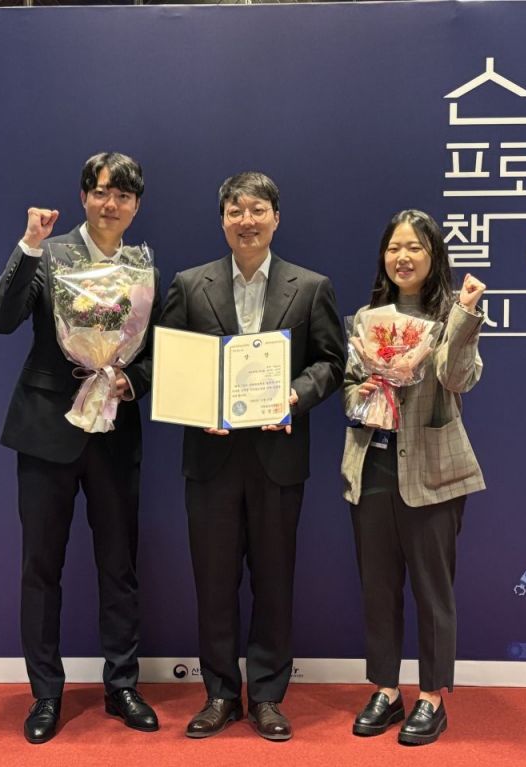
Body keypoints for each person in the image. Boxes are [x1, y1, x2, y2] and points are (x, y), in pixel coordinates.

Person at [158, 171, 345, 741]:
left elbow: (331, 362)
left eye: (258, 209)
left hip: (277, 458)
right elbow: (169, 362)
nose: (247, 221)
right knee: (213, 583)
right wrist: (197, 405)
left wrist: (295, 395)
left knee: (274, 580)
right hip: (209, 458)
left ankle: (266, 695)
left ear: (276, 218)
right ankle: (219, 693)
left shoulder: (309, 286)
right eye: (236, 211)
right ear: (222, 220)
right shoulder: (189, 284)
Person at [0, 152, 161, 744]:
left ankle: (122, 685)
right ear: (84, 195)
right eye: (101, 192)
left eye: (123, 196)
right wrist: (29, 246)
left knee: (120, 565)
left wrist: (130, 382)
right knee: (41, 567)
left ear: (136, 206)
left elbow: (156, 351)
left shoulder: (143, 265)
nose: (111, 204)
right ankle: (45, 693)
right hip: (46, 430)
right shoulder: (50, 253)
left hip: (115, 433)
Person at [341, 209, 486, 746]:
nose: (403, 257)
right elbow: (348, 391)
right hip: (373, 466)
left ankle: (431, 697)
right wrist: (367, 390)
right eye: (394, 248)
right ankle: (385, 689)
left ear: (433, 256)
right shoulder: (367, 317)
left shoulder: (453, 314)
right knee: (378, 588)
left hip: (433, 471)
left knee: (432, 590)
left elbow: (457, 378)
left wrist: (465, 316)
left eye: (415, 248)